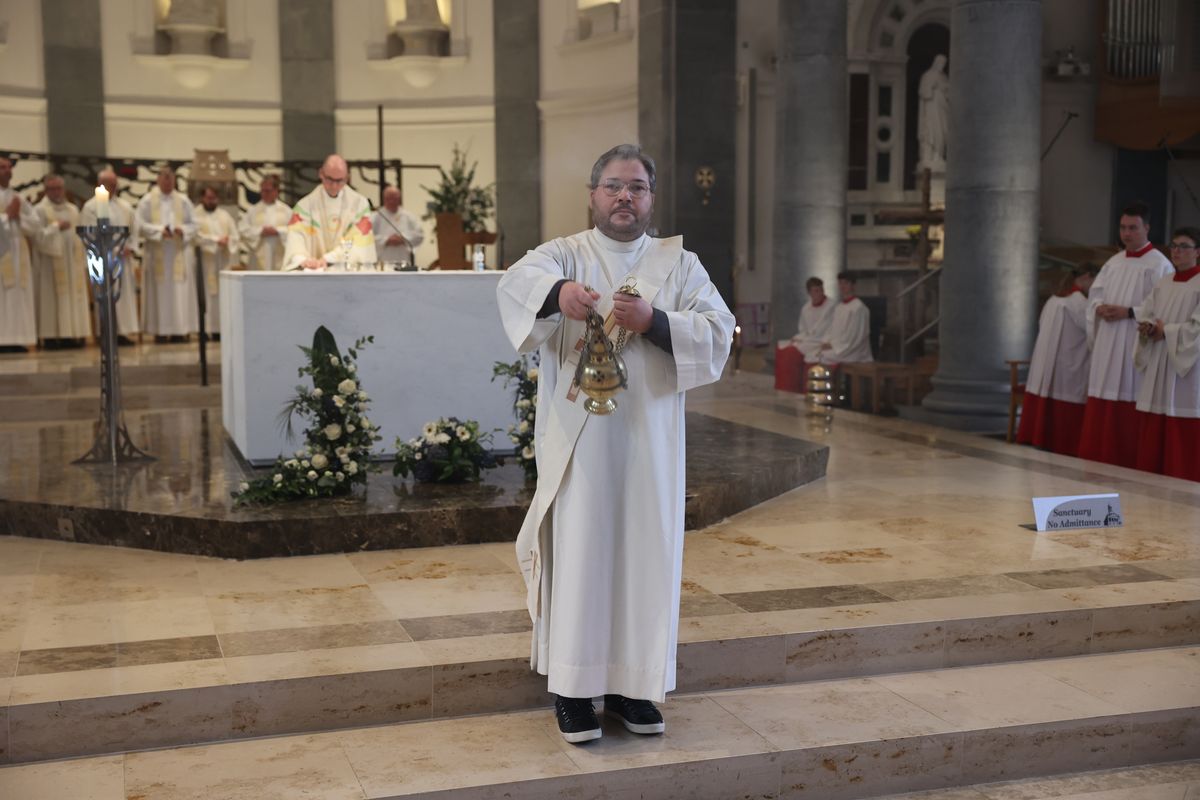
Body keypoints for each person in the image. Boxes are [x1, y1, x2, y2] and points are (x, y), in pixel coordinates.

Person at [496, 144, 734, 744]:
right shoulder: (564, 254)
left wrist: (655, 322)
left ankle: (634, 686)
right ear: (593, 195)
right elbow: (515, 283)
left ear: (651, 198)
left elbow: (718, 331)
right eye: (613, 186)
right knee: (582, 553)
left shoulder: (680, 265)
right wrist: (557, 295)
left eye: (637, 187)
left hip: (650, 443)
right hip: (580, 445)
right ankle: (574, 691)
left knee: (644, 555)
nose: (624, 196)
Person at [1078, 202, 1174, 467]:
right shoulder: (1113, 262)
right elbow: (1094, 296)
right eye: (1123, 228)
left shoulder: (1160, 265)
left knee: (1131, 394)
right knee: (1103, 391)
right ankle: (1097, 457)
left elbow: (1165, 307)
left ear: (1147, 228)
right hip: (1109, 339)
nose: (1127, 234)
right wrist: (1099, 307)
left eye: (1133, 228)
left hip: (1134, 341)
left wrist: (1129, 311)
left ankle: (1127, 460)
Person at [1132, 226, 1200, 481]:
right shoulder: (1163, 282)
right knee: (1155, 416)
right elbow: (1147, 312)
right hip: (1160, 358)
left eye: (1184, 247)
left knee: (1181, 415)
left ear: (1197, 252)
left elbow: (1197, 328)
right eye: (1174, 246)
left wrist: (1166, 331)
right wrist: (1148, 327)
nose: (1177, 251)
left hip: (1187, 366)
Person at [1016, 264, 1100, 455]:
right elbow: (1094, 332)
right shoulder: (1079, 302)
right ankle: (1063, 443)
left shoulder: (1054, 299)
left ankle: (1038, 437)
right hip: (1068, 362)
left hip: (1047, 362)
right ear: (1087, 276)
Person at [283, 154, 376, 271]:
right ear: (321, 174)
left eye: (340, 180)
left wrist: (329, 259)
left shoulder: (359, 204)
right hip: (315, 273)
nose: (334, 185)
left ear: (347, 178)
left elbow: (358, 242)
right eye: (330, 179)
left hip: (346, 273)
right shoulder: (304, 206)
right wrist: (304, 260)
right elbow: (296, 240)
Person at [80, 169, 141, 344]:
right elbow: (90, 233)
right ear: (100, 184)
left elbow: (134, 230)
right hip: (102, 259)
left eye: (115, 184)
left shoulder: (125, 206)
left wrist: (130, 247)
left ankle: (122, 332)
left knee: (122, 296)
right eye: (109, 184)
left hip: (123, 259)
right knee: (105, 295)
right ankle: (107, 333)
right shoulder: (91, 207)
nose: (113, 187)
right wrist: (113, 249)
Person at [137, 166, 197, 342]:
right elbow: (139, 224)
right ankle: (160, 332)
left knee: (179, 293)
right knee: (159, 294)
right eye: (165, 178)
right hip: (157, 252)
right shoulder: (147, 201)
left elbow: (195, 224)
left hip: (178, 253)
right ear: (158, 180)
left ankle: (180, 331)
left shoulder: (183, 201)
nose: (168, 182)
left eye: (171, 178)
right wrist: (159, 231)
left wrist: (182, 230)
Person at [34, 174, 92, 348]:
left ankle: (74, 335)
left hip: (72, 262)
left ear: (64, 189)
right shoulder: (40, 210)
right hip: (50, 264)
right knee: (52, 300)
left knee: (74, 298)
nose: (56, 192)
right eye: (52, 189)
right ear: (45, 190)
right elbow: (37, 237)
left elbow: (81, 235)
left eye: (59, 188)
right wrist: (56, 227)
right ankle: (51, 337)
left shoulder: (73, 210)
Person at [0, 157, 38, 352]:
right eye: (2, 167)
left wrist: (19, 216)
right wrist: (7, 216)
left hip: (18, 251)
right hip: (2, 250)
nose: (7, 170)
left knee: (19, 295)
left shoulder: (18, 198)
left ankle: (18, 339)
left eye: (8, 167)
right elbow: (7, 218)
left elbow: (35, 224)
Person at [775, 276, 837, 392]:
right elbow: (803, 330)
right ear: (809, 293)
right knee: (786, 349)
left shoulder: (831, 306)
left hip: (823, 341)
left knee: (794, 352)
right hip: (809, 340)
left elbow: (833, 328)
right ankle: (789, 389)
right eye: (816, 291)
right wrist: (799, 337)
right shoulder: (806, 308)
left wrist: (827, 341)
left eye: (821, 290)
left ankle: (801, 389)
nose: (820, 293)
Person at [193, 186, 240, 336]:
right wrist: (214, 241)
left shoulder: (224, 216)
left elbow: (235, 236)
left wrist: (228, 240)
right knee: (207, 296)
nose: (211, 201)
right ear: (202, 198)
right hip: (204, 263)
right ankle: (205, 330)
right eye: (208, 198)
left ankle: (220, 330)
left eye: (214, 198)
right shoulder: (195, 215)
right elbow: (195, 236)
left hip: (222, 262)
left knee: (222, 297)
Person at [816, 272, 873, 364]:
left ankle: (834, 375)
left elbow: (855, 337)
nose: (842, 286)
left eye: (846, 283)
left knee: (823, 356)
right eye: (840, 283)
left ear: (853, 285)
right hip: (840, 347)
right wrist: (826, 342)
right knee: (815, 353)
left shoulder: (858, 308)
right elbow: (832, 329)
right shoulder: (839, 307)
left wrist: (833, 345)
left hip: (854, 351)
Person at [239, 174, 290, 271]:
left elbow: (295, 230)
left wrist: (278, 231)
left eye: (268, 191)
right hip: (258, 257)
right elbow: (243, 229)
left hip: (280, 255)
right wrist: (260, 231)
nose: (264, 193)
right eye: (262, 190)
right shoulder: (253, 211)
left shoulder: (286, 210)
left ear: (276, 191)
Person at [372, 185, 424, 267]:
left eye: (394, 198)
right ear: (384, 199)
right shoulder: (376, 216)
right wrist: (386, 240)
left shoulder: (408, 216)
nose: (392, 201)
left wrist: (403, 239)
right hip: (383, 261)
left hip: (404, 260)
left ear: (399, 199)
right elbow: (367, 238)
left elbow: (419, 235)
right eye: (389, 198)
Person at [918, 54, 950, 170]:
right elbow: (923, 92)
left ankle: (938, 156)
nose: (942, 65)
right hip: (931, 109)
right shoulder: (928, 75)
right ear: (936, 62)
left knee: (942, 132)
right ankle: (929, 156)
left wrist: (945, 89)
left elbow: (949, 94)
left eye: (944, 63)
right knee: (932, 132)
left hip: (943, 110)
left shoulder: (944, 77)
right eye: (941, 63)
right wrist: (932, 87)